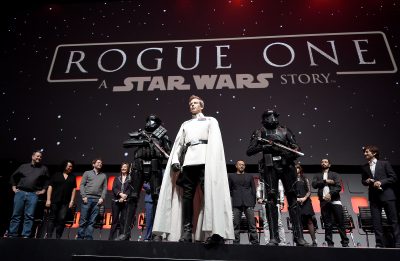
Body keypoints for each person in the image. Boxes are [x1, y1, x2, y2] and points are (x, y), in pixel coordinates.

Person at [152, 95, 234, 244]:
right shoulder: (186, 123)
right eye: (190, 104)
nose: (192, 105)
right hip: (189, 162)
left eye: (195, 103)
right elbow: (179, 144)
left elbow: (215, 143)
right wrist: (176, 160)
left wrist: (213, 162)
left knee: (209, 194)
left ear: (201, 106)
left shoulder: (211, 120)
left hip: (205, 161)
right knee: (187, 196)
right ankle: (187, 231)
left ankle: (214, 231)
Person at [246, 109, 308, 246]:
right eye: (270, 116)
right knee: (271, 201)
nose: (273, 118)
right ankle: (274, 238)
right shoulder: (259, 132)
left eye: (274, 116)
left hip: (287, 167)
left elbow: (296, 148)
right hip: (270, 167)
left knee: (293, 201)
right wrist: (265, 146)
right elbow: (250, 150)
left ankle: (299, 237)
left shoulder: (285, 131)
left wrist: (288, 153)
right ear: (264, 119)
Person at [117, 114, 171, 241]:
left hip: (154, 167)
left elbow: (169, 152)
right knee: (132, 198)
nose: (149, 123)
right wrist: (143, 141)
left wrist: (163, 151)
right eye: (148, 120)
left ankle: (157, 234)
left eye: (152, 121)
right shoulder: (140, 134)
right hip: (138, 167)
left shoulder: (162, 136)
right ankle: (125, 233)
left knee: (156, 198)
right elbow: (126, 143)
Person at [361, 145, 400, 248]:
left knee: (393, 220)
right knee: (376, 222)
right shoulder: (364, 166)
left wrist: (381, 182)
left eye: (367, 152)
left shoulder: (384, 163)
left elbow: (393, 177)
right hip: (374, 197)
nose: (365, 154)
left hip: (387, 195)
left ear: (374, 153)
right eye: (364, 152)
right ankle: (379, 243)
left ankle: (398, 243)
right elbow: (363, 181)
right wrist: (367, 181)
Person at [8, 150, 50, 238]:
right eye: (37, 156)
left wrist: (43, 190)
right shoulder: (23, 166)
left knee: (29, 216)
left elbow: (47, 180)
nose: (39, 158)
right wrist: (13, 186)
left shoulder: (43, 168)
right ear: (33, 156)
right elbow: (13, 176)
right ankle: (12, 234)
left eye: (40, 157)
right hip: (20, 192)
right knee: (16, 214)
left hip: (33, 194)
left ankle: (25, 235)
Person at [312, 158, 349, 247]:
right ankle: (329, 243)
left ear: (329, 164)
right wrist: (325, 181)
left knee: (340, 222)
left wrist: (330, 194)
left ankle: (345, 242)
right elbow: (314, 185)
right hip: (324, 202)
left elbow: (338, 187)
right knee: (327, 223)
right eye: (322, 162)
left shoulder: (335, 174)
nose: (323, 163)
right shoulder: (317, 175)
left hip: (335, 201)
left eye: (326, 162)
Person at [228, 160, 259, 245]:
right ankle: (236, 243)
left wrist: (253, 203)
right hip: (236, 202)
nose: (242, 166)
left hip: (248, 202)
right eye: (240, 165)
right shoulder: (231, 176)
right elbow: (229, 189)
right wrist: (235, 195)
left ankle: (255, 242)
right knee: (236, 225)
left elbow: (253, 190)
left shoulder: (249, 176)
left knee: (252, 224)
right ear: (236, 166)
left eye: (243, 165)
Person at [76, 158, 107, 240]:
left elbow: (104, 188)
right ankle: (80, 237)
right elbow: (82, 185)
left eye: (101, 163)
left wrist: (102, 198)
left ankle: (88, 237)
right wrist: (84, 196)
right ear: (93, 164)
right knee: (83, 219)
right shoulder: (87, 173)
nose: (100, 164)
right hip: (87, 199)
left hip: (97, 201)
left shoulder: (103, 175)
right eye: (98, 162)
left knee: (92, 221)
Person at [45, 160, 77, 239]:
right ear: (65, 166)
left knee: (62, 219)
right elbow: (50, 187)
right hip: (55, 200)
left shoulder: (72, 177)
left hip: (65, 202)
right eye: (69, 166)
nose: (70, 168)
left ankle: (58, 238)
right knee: (52, 218)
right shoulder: (56, 175)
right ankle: (49, 237)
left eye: (71, 166)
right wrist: (48, 199)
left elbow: (74, 189)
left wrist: (72, 200)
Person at [257, 178, 286, 245]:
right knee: (266, 223)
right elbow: (259, 188)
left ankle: (282, 242)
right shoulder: (262, 178)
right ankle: (268, 242)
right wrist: (259, 197)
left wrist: (281, 202)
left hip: (276, 202)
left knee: (279, 223)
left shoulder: (277, 177)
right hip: (265, 202)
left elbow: (281, 190)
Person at [108, 163, 133, 240]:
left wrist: (125, 196)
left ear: (128, 169)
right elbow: (114, 188)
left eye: (125, 167)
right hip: (116, 201)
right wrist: (120, 194)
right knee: (114, 221)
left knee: (123, 221)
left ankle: (121, 238)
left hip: (125, 201)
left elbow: (130, 189)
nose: (123, 168)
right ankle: (111, 239)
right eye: (122, 167)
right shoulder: (117, 178)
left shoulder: (130, 178)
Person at [295, 164, 317, 246]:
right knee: (298, 221)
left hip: (306, 201)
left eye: (297, 168)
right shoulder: (292, 180)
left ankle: (314, 241)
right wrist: (296, 199)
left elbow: (309, 191)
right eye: (295, 168)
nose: (296, 169)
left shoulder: (305, 178)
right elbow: (290, 192)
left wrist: (304, 198)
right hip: (296, 201)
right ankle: (301, 240)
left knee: (309, 221)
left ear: (300, 169)